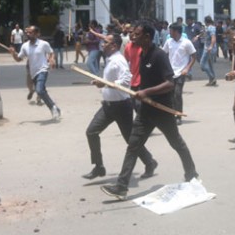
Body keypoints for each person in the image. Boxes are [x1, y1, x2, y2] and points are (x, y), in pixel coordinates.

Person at [101, 22, 199, 200]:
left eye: (137, 34)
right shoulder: (141, 54)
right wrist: (137, 90)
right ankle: (121, 187)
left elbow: (170, 83)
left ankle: (192, 175)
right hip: (145, 110)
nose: (133, 36)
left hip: (161, 110)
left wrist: (147, 92)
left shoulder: (159, 55)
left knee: (176, 143)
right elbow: (142, 80)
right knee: (133, 145)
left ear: (147, 37)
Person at [83, 33, 158, 180]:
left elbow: (126, 81)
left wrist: (105, 83)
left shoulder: (118, 60)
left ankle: (149, 162)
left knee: (130, 139)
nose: (102, 44)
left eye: (106, 42)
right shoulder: (110, 59)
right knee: (91, 132)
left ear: (114, 46)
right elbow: (110, 80)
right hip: (108, 106)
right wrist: (101, 82)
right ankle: (98, 167)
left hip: (122, 107)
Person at [11, 26, 61, 119]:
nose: (28, 34)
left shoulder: (43, 44)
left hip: (43, 70)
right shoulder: (25, 46)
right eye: (27, 32)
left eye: (31, 32)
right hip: (33, 73)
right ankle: (55, 108)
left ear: (37, 34)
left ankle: (53, 108)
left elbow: (51, 52)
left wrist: (52, 59)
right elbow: (18, 59)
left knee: (39, 90)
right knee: (42, 92)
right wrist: (13, 53)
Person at [162, 23, 197, 125]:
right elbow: (164, 54)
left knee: (177, 94)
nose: (169, 33)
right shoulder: (169, 42)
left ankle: (179, 116)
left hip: (181, 72)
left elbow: (194, 56)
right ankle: (171, 114)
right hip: (170, 72)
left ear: (176, 32)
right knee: (170, 94)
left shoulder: (186, 43)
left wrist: (187, 68)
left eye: (171, 31)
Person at [200, 16, 217, 86]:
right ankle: (212, 80)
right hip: (209, 48)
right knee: (210, 65)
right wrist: (198, 36)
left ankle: (212, 77)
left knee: (202, 64)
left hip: (208, 48)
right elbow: (204, 35)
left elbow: (213, 38)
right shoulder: (209, 28)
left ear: (206, 21)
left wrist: (211, 46)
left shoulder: (211, 28)